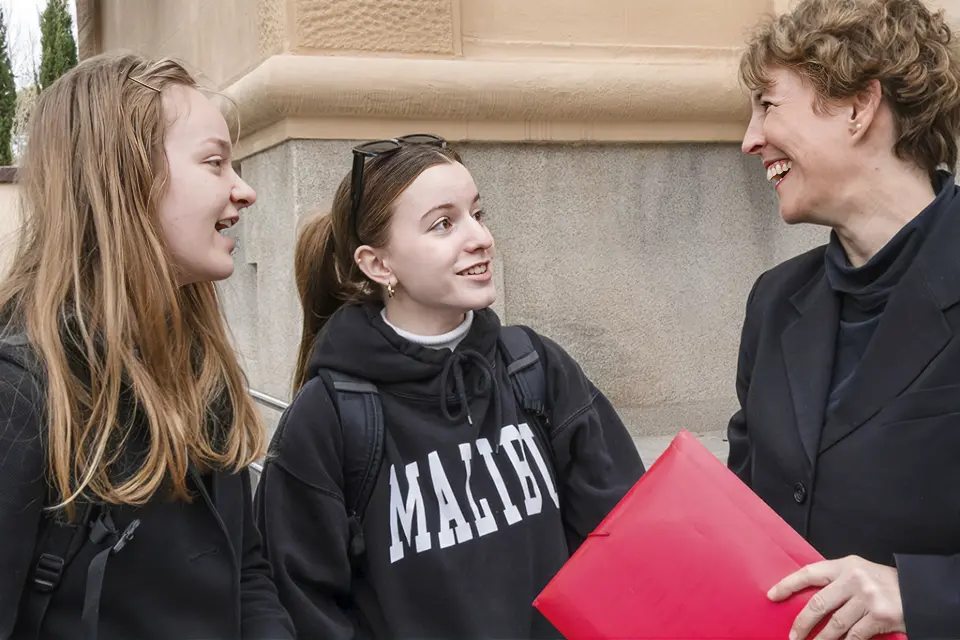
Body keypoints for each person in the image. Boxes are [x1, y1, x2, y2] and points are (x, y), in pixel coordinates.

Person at [254, 134, 645, 639]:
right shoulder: (328, 418)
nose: (479, 237)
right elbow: (303, 606)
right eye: (443, 224)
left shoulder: (535, 367)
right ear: (379, 264)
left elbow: (625, 531)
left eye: (477, 214)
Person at [0, 52, 295, 640]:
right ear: (125, 179)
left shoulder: (202, 365)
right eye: (215, 163)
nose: (245, 191)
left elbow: (246, 569)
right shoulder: (22, 395)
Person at [728, 0, 960, 638]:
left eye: (769, 105)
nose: (750, 139)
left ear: (859, 107)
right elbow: (745, 515)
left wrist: (920, 594)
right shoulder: (774, 302)